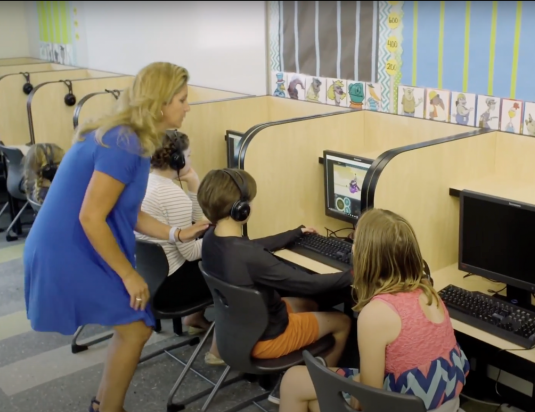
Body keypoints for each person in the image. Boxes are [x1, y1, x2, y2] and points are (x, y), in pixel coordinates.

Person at [23, 62, 211, 412]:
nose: (187, 107)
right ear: (159, 104)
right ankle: (108, 407)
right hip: (71, 247)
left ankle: (105, 406)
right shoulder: (124, 143)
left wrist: (177, 232)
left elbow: (127, 211)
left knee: (133, 328)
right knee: (136, 327)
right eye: (182, 100)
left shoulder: (132, 138)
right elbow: (92, 216)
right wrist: (128, 273)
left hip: (77, 241)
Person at [279, 209, 470, 412]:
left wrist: (347, 394)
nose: (352, 249)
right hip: (444, 403)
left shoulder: (377, 314)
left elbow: (368, 400)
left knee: (294, 384)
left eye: (355, 243)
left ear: (365, 256)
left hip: (403, 405)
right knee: (302, 387)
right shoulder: (430, 293)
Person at [197, 168, 353, 405]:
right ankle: (315, 389)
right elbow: (308, 284)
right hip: (267, 339)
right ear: (241, 209)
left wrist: (295, 234)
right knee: (343, 321)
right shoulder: (250, 257)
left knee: (309, 305)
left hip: (238, 330)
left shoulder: (211, 239)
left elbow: (255, 246)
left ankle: (293, 377)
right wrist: (355, 273)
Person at [135, 129, 222, 365]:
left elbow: (198, 222)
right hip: (170, 289)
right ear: (178, 160)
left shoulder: (143, 182)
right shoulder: (171, 194)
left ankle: (194, 320)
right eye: (189, 156)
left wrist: (193, 183)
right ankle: (219, 350)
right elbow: (192, 250)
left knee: (212, 255)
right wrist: (225, 243)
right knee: (231, 272)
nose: (190, 161)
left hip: (149, 279)